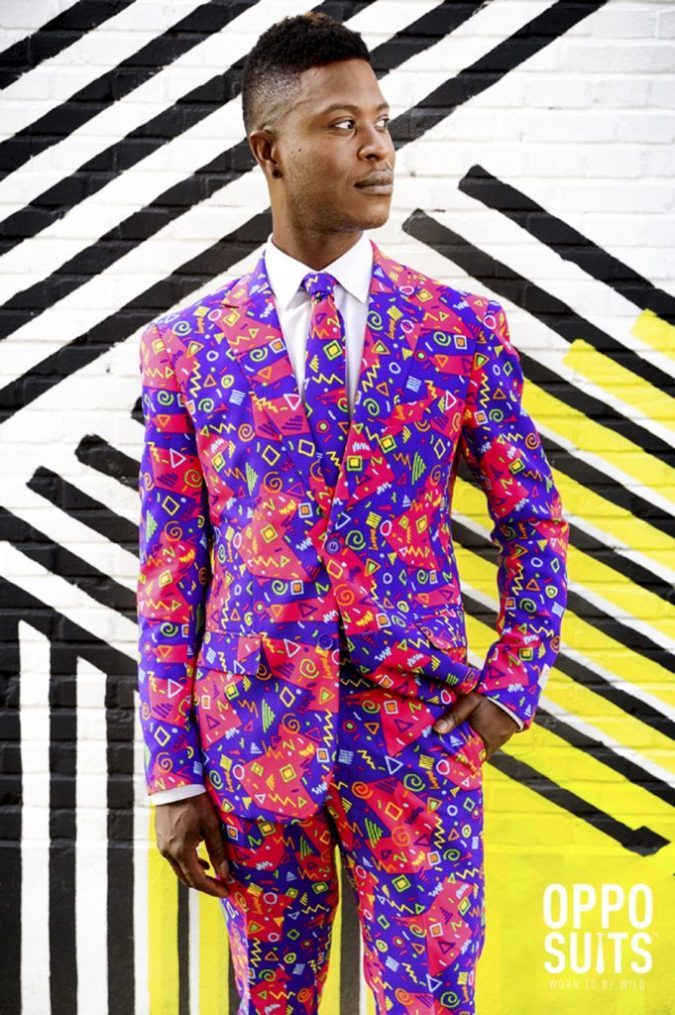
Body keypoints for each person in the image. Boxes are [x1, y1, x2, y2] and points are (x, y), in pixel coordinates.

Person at [136, 11, 569, 1014]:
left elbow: (534, 522)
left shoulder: (460, 329)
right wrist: (172, 771)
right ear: (269, 153)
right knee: (272, 1002)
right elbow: (171, 571)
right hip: (251, 748)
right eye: (340, 124)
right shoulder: (189, 347)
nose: (377, 146)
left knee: (431, 1002)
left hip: (420, 741)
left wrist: (512, 686)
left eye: (380, 120)